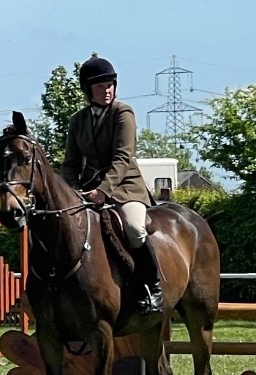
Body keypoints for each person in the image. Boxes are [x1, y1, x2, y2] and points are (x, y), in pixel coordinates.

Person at [61, 54, 163, 315]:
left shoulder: (123, 113)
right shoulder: (78, 120)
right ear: (88, 90)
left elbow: (123, 156)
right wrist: (71, 191)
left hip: (125, 187)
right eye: (100, 86)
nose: (106, 91)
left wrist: (103, 191)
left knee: (134, 228)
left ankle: (153, 287)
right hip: (89, 188)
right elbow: (71, 162)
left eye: (110, 85)